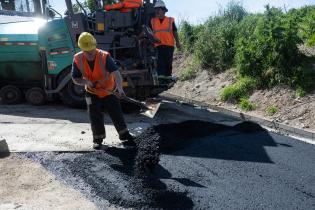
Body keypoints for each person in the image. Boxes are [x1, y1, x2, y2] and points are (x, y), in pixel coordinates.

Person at [72, 32, 135, 149]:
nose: (90, 54)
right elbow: (75, 78)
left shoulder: (104, 56)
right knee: (94, 114)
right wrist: (86, 82)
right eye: (87, 52)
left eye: (91, 51)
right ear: (81, 48)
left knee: (116, 113)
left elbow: (116, 74)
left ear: (94, 46)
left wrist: (120, 88)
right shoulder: (77, 58)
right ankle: (97, 139)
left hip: (109, 90)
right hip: (91, 91)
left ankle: (124, 136)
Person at [151, 0, 181, 80]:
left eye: (159, 9)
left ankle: (167, 77)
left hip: (169, 45)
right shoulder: (153, 21)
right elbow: (149, 32)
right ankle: (161, 76)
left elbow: (175, 31)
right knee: (160, 61)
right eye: (156, 9)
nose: (157, 11)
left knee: (168, 61)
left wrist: (178, 42)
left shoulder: (170, 20)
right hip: (158, 45)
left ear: (164, 10)